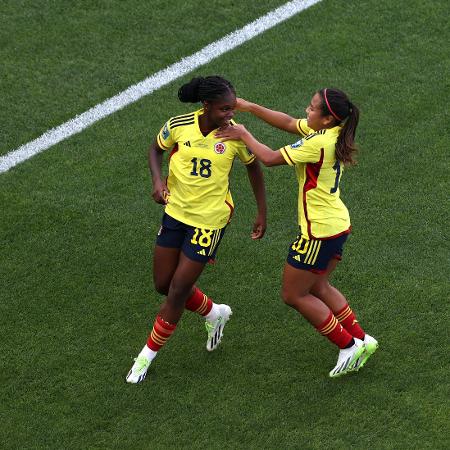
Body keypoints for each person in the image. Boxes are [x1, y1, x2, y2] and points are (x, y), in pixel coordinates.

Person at [216, 88, 378, 378]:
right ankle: (362, 339)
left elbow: (267, 158)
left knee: (293, 294)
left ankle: (348, 345)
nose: (306, 110)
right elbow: (290, 123)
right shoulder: (333, 132)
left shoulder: (318, 144)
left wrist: (243, 134)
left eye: (313, 108)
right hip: (337, 225)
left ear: (327, 118)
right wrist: (250, 105)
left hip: (317, 233)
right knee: (319, 286)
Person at [126, 76, 267, 383]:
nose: (230, 114)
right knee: (163, 284)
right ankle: (214, 313)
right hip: (175, 213)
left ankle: (145, 356)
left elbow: (254, 167)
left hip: (209, 221)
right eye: (224, 109)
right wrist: (157, 180)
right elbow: (155, 149)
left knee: (177, 290)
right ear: (206, 105)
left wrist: (261, 212)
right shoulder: (178, 125)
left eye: (232, 108)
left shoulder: (235, 136)